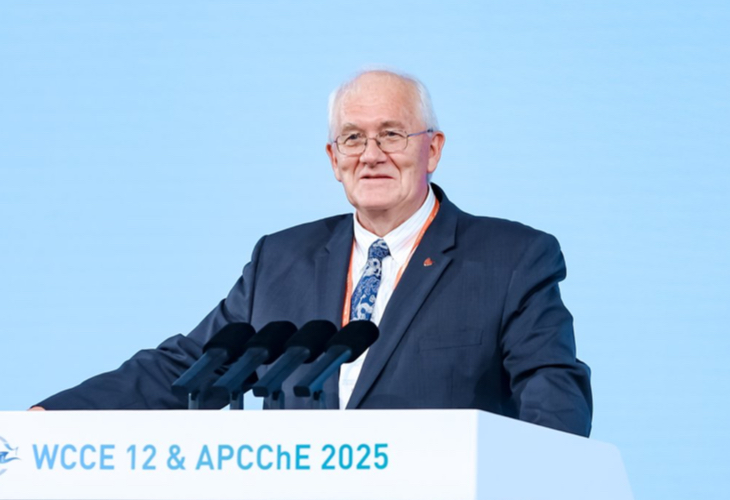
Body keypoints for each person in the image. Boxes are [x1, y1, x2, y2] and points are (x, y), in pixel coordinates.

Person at [33, 70, 592, 437]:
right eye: (352, 139)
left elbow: (552, 396)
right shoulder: (282, 259)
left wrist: (538, 487)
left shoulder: (511, 258)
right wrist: (51, 418)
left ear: (433, 149)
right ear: (333, 158)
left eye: (392, 135)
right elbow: (188, 367)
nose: (370, 155)